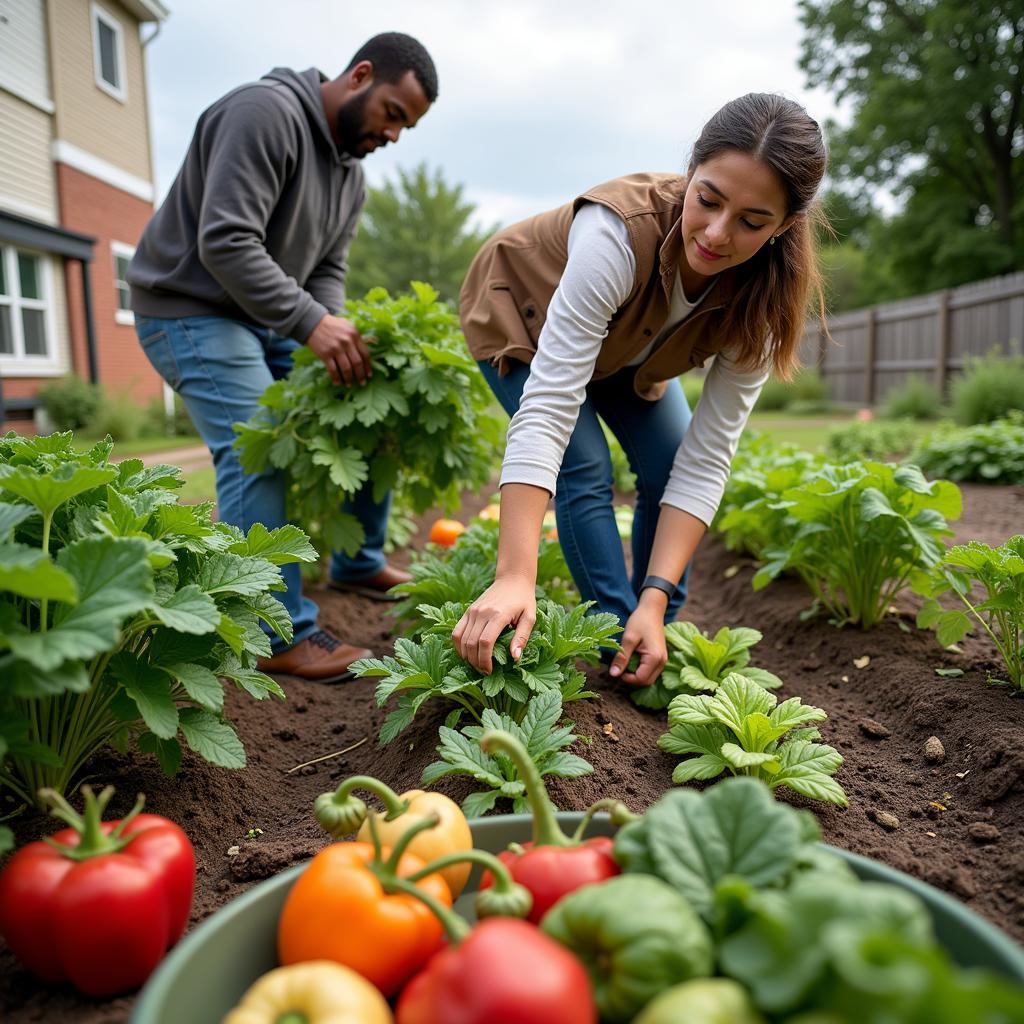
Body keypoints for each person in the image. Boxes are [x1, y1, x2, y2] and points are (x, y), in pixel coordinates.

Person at [454, 93, 827, 688]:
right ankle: (610, 636)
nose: (716, 233)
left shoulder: (766, 304)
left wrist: (656, 600)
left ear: (784, 226)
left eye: (753, 222)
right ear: (690, 174)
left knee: (669, 463)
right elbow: (551, 404)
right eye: (707, 200)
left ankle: (651, 631)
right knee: (584, 464)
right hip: (522, 315)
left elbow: (705, 462)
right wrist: (515, 574)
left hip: (634, 354)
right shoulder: (616, 234)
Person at [128, 33, 438, 683]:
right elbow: (226, 241)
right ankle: (272, 630)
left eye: (407, 126)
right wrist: (310, 325)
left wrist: (330, 328)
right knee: (258, 445)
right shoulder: (263, 113)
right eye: (393, 114)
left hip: (264, 317)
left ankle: (357, 560)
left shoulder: (349, 174)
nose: (395, 135)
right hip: (192, 306)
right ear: (359, 77)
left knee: (367, 399)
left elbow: (327, 270)